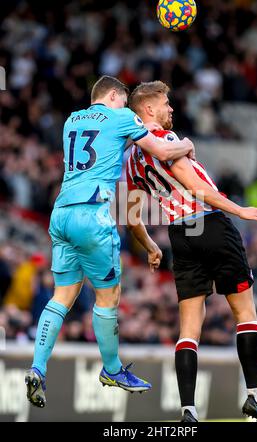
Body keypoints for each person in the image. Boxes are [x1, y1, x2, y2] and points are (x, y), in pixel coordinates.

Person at [25, 75, 195, 408]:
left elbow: (104, 147)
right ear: (114, 95)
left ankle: (37, 368)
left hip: (61, 213)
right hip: (93, 214)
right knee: (109, 295)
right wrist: (187, 145)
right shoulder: (121, 117)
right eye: (124, 99)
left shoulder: (72, 121)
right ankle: (113, 369)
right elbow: (160, 149)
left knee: (63, 295)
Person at [126, 81, 257, 422]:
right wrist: (241, 211)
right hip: (210, 225)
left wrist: (150, 245)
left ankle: (188, 411)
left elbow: (131, 216)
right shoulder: (166, 141)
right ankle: (255, 397)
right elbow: (198, 190)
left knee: (189, 328)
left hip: (180, 236)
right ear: (148, 109)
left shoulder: (131, 159)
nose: (171, 109)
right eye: (166, 103)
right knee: (245, 314)